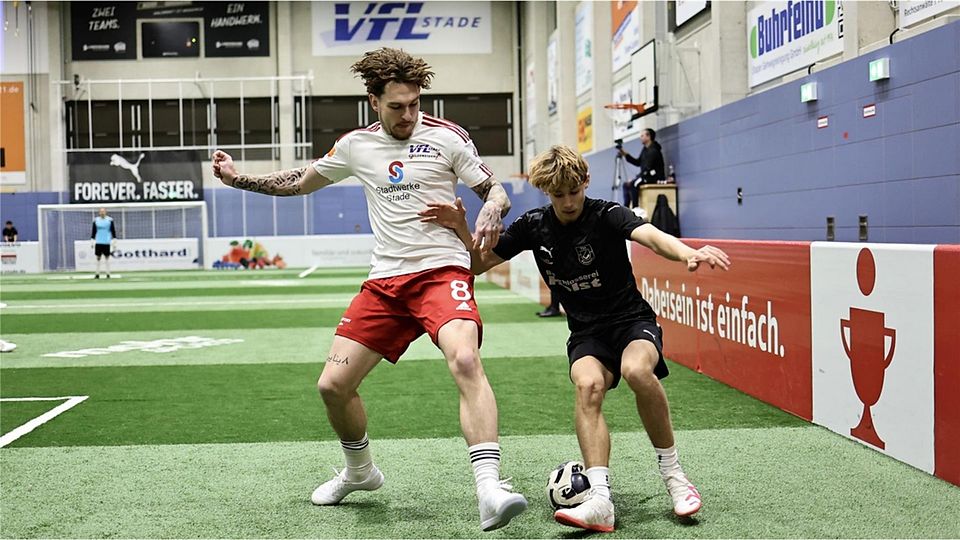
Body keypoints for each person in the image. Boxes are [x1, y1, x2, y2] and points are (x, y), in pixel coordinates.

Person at [210, 47, 527, 531]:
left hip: (441, 272)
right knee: (332, 386)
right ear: (374, 102)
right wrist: (238, 180)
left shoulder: (446, 137)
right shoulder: (356, 145)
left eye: (414, 104)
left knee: (464, 358)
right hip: (384, 283)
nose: (408, 115)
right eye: (397, 106)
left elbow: (494, 189)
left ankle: (489, 487)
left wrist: (493, 206)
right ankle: (360, 472)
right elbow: (299, 182)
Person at [420, 145, 731, 533]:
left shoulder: (607, 214)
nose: (567, 202)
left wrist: (687, 253)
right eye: (557, 194)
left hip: (631, 322)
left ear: (585, 182)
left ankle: (675, 478)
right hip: (586, 332)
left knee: (636, 371)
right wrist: (459, 228)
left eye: (573, 191)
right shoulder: (534, 225)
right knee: (587, 386)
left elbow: (650, 236)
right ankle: (600, 499)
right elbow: (479, 264)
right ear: (546, 192)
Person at [619, 128, 665, 206]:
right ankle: (626, 208)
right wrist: (625, 155)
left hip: (654, 177)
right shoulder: (645, 150)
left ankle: (635, 208)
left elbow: (647, 169)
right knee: (626, 185)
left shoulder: (654, 150)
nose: (640, 138)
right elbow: (638, 162)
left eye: (642, 136)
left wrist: (637, 178)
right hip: (646, 176)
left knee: (634, 183)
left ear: (648, 136)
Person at [90, 208, 118, 279]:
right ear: (99, 213)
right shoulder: (96, 220)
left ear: (106, 212)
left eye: (103, 211)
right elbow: (93, 231)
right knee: (98, 258)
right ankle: (97, 273)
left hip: (106, 241)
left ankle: (108, 274)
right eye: (101, 212)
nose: (102, 213)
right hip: (98, 241)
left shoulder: (110, 220)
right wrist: (92, 240)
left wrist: (114, 239)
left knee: (107, 257)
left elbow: (113, 230)